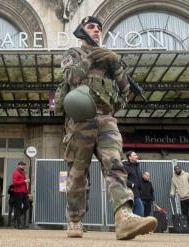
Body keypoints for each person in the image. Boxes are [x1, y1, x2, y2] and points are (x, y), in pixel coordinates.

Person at [61, 16, 157, 240]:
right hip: (80, 121)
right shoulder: (73, 54)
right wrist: (93, 57)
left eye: (99, 28)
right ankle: (75, 220)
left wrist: (115, 63)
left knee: (115, 165)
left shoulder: (110, 61)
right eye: (91, 27)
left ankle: (124, 216)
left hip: (106, 120)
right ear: (82, 31)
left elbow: (125, 93)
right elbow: (70, 77)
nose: (96, 30)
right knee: (77, 174)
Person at [123, 151, 144, 216]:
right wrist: (132, 185)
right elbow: (122, 178)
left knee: (134, 214)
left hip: (138, 193)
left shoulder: (137, 166)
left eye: (136, 155)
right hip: (130, 193)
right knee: (140, 213)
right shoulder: (125, 166)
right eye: (134, 155)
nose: (136, 156)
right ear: (129, 157)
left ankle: (133, 226)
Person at [12, 161, 30, 229]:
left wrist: (27, 192)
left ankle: (15, 217)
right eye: (22, 165)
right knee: (18, 207)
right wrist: (24, 181)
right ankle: (18, 224)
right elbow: (14, 183)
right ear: (18, 165)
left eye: (24, 165)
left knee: (27, 206)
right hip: (18, 192)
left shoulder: (23, 173)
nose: (23, 166)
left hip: (24, 192)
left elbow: (25, 184)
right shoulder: (16, 172)